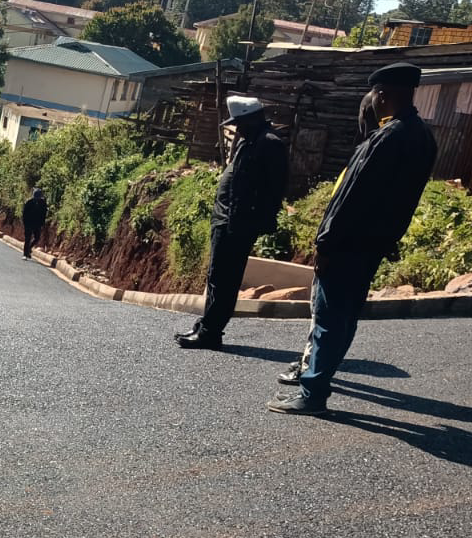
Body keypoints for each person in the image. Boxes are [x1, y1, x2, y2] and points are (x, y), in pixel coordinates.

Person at [267, 62, 436, 415]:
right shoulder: (422, 137)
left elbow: (351, 197)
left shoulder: (386, 138)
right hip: (373, 243)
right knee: (345, 318)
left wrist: (325, 243)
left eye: (373, 95)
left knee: (329, 318)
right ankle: (317, 379)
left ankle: (313, 393)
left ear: (382, 94)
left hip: (349, 243)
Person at [276, 86, 384, 385]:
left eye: (362, 114)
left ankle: (311, 370)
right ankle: (316, 367)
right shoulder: (371, 152)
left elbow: (345, 207)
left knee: (325, 316)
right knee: (336, 316)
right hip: (357, 248)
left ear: (367, 116)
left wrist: (325, 244)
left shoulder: (370, 152)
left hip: (342, 249)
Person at [175, 96, 288, 349]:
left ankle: (211, 333)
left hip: (239, 223)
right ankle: (207, 325)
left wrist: (257, 220)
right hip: (225, 219)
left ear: (252, 118)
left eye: (240, 122)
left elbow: (274, 189)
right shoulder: (249, 141)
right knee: (216, 276)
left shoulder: (269, 144)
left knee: (226, 279)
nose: (237, 128)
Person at [21, 188, 47, 261]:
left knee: (37, 238)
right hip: (28, 223)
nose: (37, 199)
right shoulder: (29, 202)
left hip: (37, 223)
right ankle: (25, 254)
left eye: (38, 197)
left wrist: (42, 223)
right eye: (36, 197)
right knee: (27, 239)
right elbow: (24, 214)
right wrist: (25, 223)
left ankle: (29, 248)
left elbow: (44, 214)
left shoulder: (43, 203)